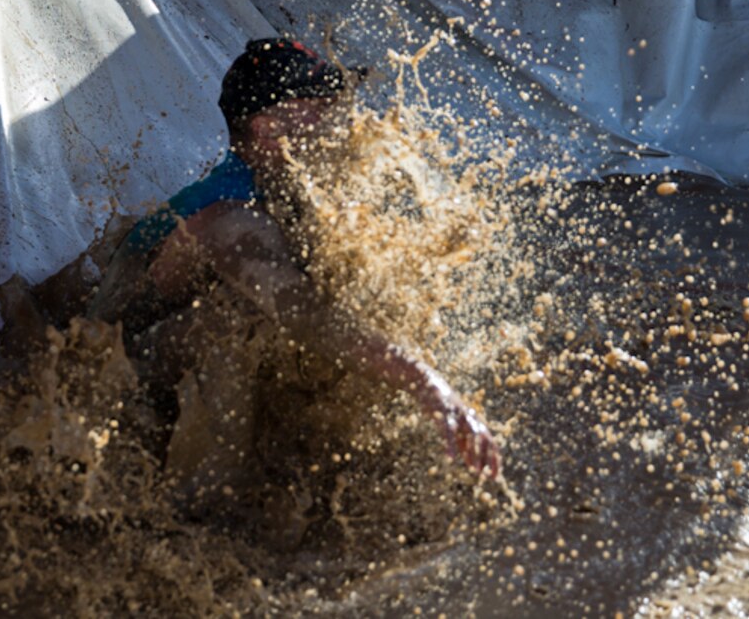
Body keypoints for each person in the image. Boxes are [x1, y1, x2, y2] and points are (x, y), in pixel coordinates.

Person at [89, 39, 499, 501]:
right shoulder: (233, 217)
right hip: (123, 378)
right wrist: (428, 384)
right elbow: (309, 316)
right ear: (268, 129)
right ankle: (210, 503)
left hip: (155, 338)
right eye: (321, 104)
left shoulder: (284, 187)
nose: (344, 115)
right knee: (238, 321)